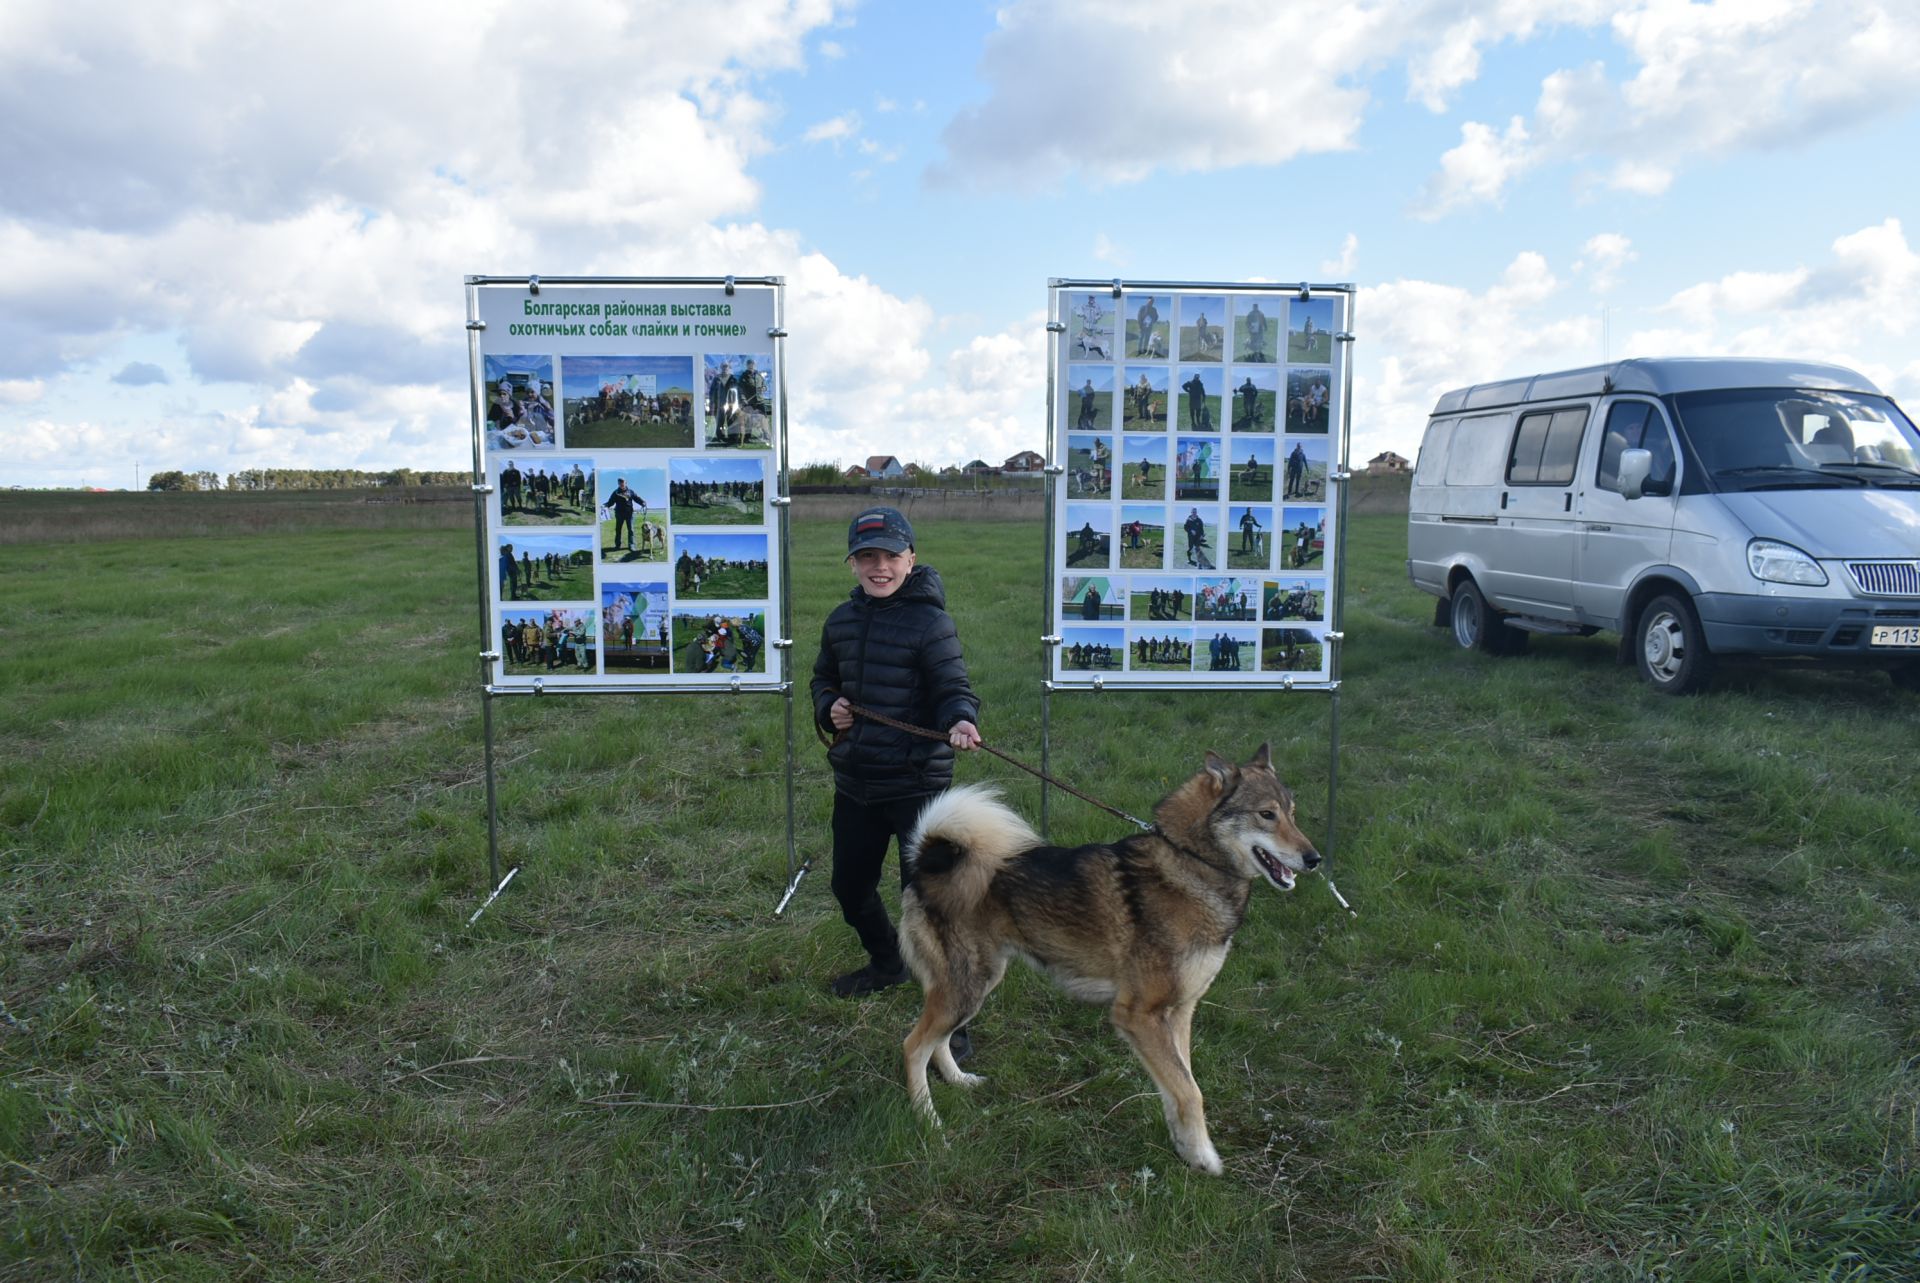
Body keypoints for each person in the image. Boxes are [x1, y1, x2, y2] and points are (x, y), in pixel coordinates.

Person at [811, 507, 982, 1058]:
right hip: (856, 782)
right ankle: (887, 962)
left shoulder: (931, 623)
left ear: (911, 558)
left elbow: (954, 686)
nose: (878, 566)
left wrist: (959, 718)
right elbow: (823, 678)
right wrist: (828, 705)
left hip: (916, 786)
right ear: (854, 563)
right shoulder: (840, 620)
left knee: (932, 907)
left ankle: (954, 1017)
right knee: (848, 887)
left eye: (890, 555)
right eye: (867, 556)